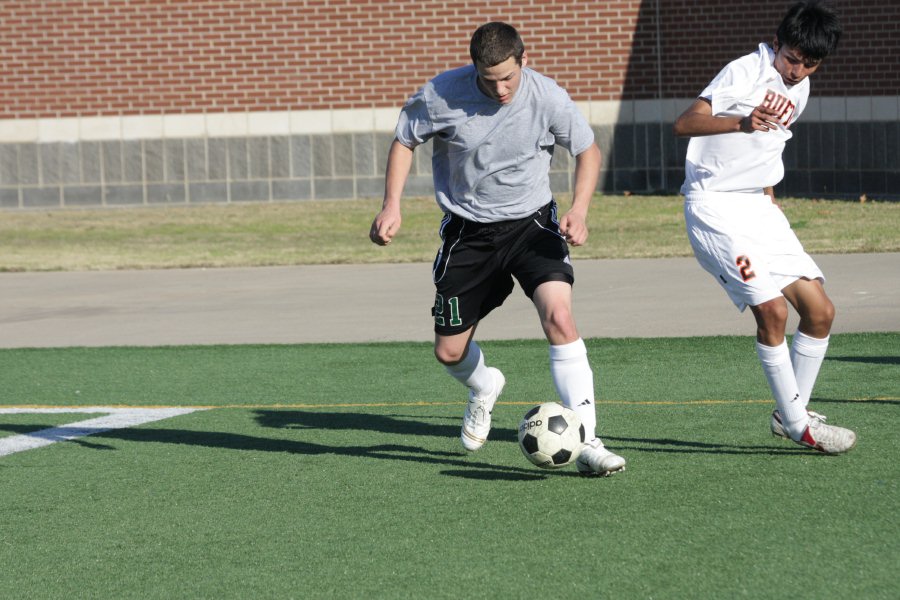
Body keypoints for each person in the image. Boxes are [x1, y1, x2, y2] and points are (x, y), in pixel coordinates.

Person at [369, 22, 625, 476]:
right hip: (469, 234)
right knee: (448, 352)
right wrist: (392, 206)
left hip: (532, 225)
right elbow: (404, 141)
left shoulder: (547, 96)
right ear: (474, 70)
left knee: (560, 317)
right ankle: (485, 386)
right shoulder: (441, 94)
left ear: (523, 61)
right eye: (490, 80)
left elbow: (587, 151)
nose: (501, 88)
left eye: (509, 77)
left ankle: (588, 441)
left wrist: (580, 210)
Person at [674, 1, 855, 453]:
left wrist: (769, 206)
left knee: (820, 312)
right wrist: (741, 121)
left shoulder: (803, 87)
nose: (797, 70)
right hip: (715, 210)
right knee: (772, 312)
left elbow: (768, 152)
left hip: (760, 209)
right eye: (792, 58)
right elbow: (684, 123)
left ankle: (789, 411)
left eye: (809, 64)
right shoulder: (744, 71)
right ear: (777, 44)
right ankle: (799, 426)